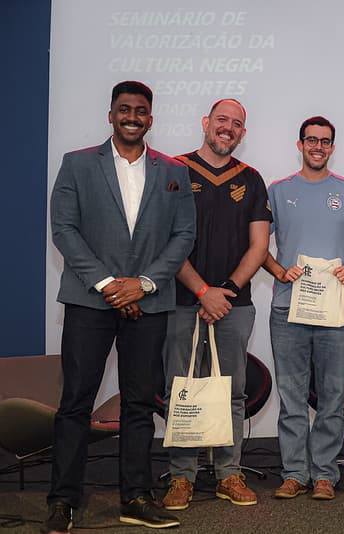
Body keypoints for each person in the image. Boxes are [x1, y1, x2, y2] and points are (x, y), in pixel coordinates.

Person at [46, 80, 196, 533]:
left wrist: (143, 284)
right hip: (90, 300)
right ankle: (63, 502)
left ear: (151, 118)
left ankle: (136, 497)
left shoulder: (174, 170)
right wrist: (112, 285)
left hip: (148, 302)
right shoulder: (76, 164)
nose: (133, 116)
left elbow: (183, 235)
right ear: (111, 114)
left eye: (141, 110)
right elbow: (64, 230)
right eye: (124, 109)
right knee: (76, 402)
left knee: (137, 404)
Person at [161, 99, 271, 511]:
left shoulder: (253, 179)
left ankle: (229, 473)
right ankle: (181, 477)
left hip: (234, 305)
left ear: (243, 133)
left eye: (237, 124)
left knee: (232, 391)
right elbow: (164, 239)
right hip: (180, 301)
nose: (228, 128)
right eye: (222, 120)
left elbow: (259, 245)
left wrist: (223, 290)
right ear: (206, 123)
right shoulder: (172, 169)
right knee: (182, 390)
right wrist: (202, 290)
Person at [264, 116, 344, 501]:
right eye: (311, 140)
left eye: (325, 141)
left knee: (331, 397)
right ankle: (294, 473)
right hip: (287, 307)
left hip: (335, 311)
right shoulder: (278, 190)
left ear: (332, 147)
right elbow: (257, 244)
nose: (318, 147)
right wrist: (279, 270)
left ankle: (324, 474)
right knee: (291, 397)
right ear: (300, 144)